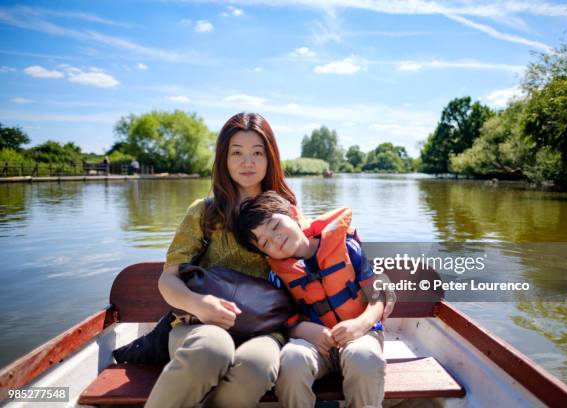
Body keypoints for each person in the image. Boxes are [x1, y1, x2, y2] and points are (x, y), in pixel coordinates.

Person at [145, 113, 304, 408]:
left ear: (270, 158)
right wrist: (198, 305)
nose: (248, 162)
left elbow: (316, 259)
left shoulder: (287, 213)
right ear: (224, 159)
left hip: (264, 329)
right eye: (237, 153)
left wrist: (375, 285)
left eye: (257, 153)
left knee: (257, 365)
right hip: (198, 326)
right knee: (212, 350)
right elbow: (168, 279)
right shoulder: (203, 213)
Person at [235, 191, 390, 408]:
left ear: (292, 213)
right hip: (314, 345)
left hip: (361, 334)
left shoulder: (347, 246)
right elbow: (282, 320)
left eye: (276, 226)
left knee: (363, 357)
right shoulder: (278, 275)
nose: (276, 239)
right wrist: (305, 331)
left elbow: (377, 295)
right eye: (265, 242)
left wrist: (360, 324)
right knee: (292, 360)